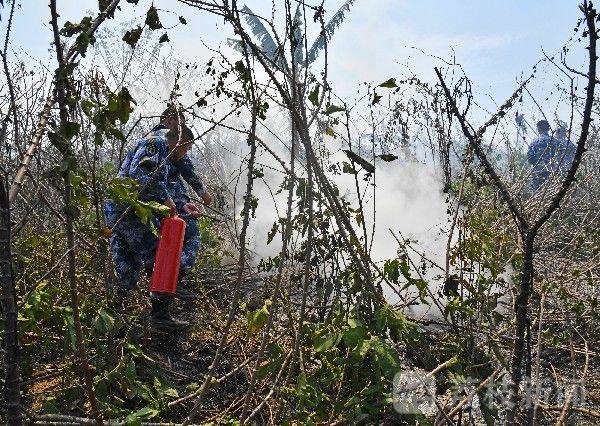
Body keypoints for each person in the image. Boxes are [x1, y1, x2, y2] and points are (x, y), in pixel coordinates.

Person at [104, 125, 196, 332]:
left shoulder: (160, 149)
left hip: (119, 211)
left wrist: (180, 205)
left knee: (126, 264)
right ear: (180, 142)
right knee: (160, 257)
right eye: (186, 149)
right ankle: (160, 317)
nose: (185, 155)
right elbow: (139, 176)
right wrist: (165, 198)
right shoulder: (157, 143)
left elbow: (154, 186)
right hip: (130, 212)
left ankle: (114, 319)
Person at [156, 106, 213, 298]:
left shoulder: (157, 140)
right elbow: (185, 169)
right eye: (180, 125)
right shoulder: (165, 141)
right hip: (164, 203)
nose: (181, 131)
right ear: (170, 120)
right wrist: (202, 192)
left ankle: (164, 288)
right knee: (189, 233)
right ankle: (171, 284)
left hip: (162, 202)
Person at [527, 120, 560, 191]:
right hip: (552, 172)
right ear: (548, 128)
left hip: (538, 172)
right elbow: (560, 157)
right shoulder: (556, 142)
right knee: (552, 193)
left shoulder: (534, 142)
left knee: (537, 194)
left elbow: (530, 159)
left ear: (538, 129)